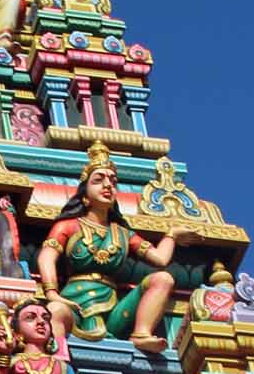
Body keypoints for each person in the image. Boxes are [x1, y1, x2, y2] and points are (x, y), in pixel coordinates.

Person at [38, 143, 185, 355]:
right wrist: (52, 293)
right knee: (54, 311)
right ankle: (56, 365)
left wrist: (172, 235)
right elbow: (46, 258)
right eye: (99, 180)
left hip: (113, 309)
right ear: (85, 195)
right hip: (75, 305)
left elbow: (160, 260)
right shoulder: (69, 226)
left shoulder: (124, 234)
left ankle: (141, 333)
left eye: (113, 181)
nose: (108, 185)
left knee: (163, 278)